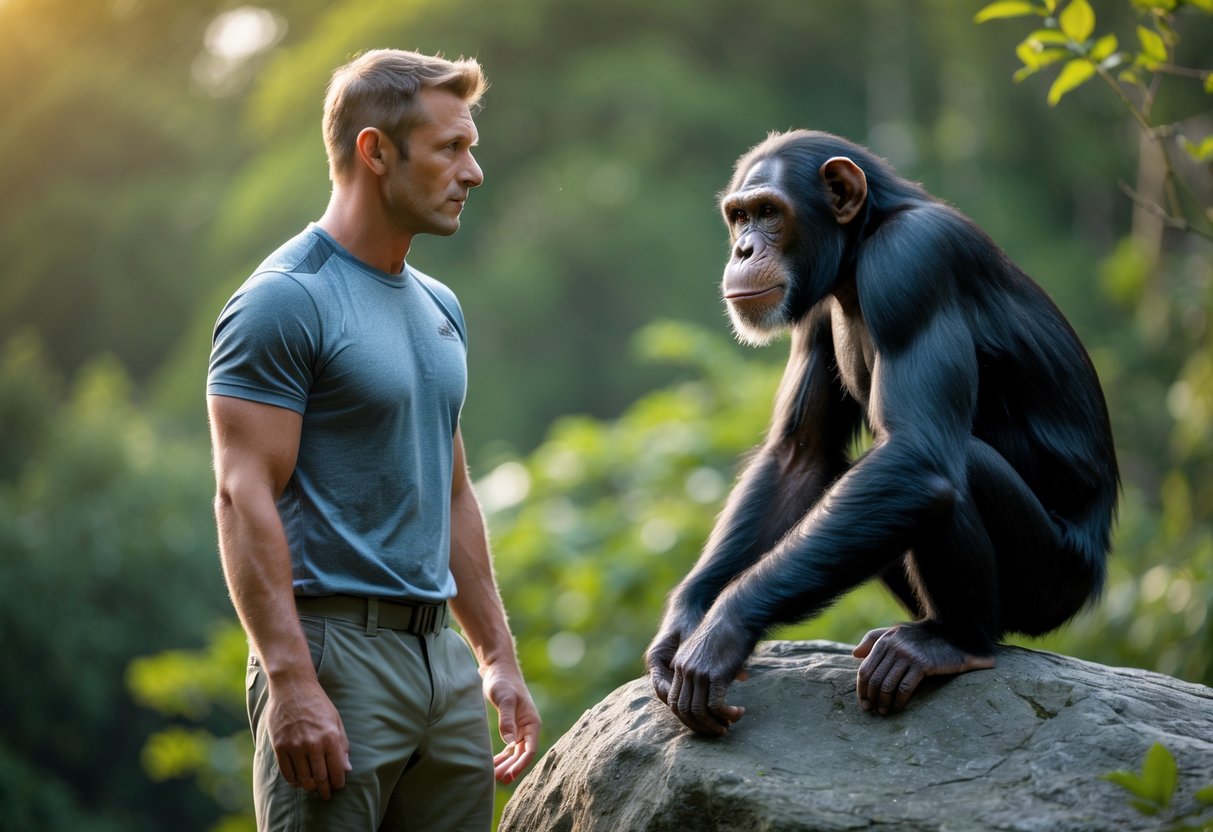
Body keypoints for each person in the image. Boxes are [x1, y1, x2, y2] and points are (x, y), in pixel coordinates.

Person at [206, 48, 540, 831]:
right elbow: (239, 491)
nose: (472, 172)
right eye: (450, 148)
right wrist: (290, 681)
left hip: (442, 667)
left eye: (472, 148)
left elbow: (451, 492)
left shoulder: (440, 306)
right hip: (334, 659)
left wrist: (495, 660)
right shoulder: (285, 301)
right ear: (374, 151)